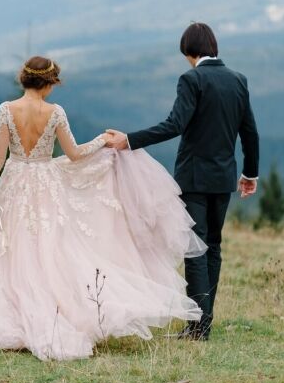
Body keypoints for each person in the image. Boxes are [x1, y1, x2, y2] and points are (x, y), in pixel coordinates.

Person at [0, 56, 207, 361]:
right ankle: (50, 313)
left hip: (14, 184)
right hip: (43, 183)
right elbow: (75, 154)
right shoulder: (55, 112)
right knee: (48, 248)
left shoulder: (5, 110)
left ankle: (13, 315)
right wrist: (102, 141)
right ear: (49, 83)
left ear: (24, 79)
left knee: (14, 248)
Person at [106, 23, 259, 341]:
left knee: (196, 248)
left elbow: (174, 124)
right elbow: (249, 132)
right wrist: (250, 174)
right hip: (224, 178)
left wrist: (129, 140)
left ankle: (197, 327)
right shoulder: (238, 80)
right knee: (213, 246)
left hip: (194, 178)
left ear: (189, 51)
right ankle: (204, 323)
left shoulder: (192, 79)